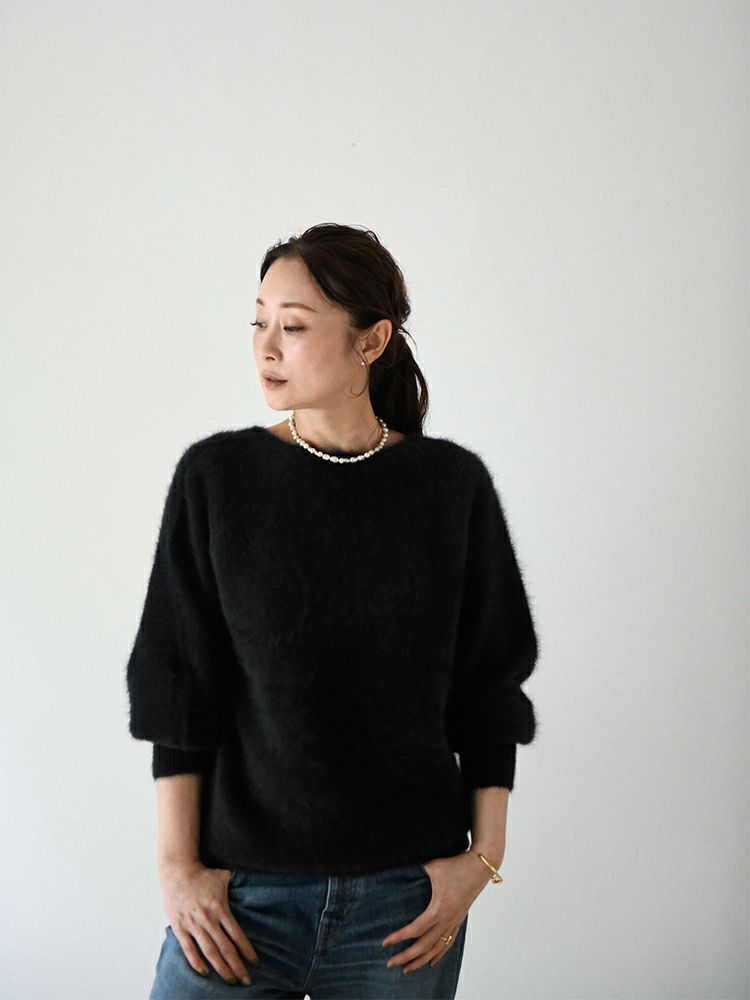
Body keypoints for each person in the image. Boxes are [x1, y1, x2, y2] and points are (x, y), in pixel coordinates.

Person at [125, 222, 540, 999]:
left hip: (405, 910)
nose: (266, 347)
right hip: (238, 905)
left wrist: (483, 859)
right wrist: (177, 871)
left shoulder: (451, 488)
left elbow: (490, 686)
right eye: (258, 322)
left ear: (371, 341)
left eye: (294, 326)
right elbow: (177, 686)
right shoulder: (217, 479)